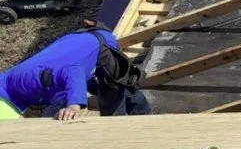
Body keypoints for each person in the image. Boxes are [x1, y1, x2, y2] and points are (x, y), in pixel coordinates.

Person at [0, 24, 149, 120]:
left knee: (113, 96)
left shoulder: (25, 82)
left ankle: (139, 124)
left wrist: (73, 105)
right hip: (77, 46)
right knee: (86, 89)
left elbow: (73, 71)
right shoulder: (15, 84)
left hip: (99, 46)